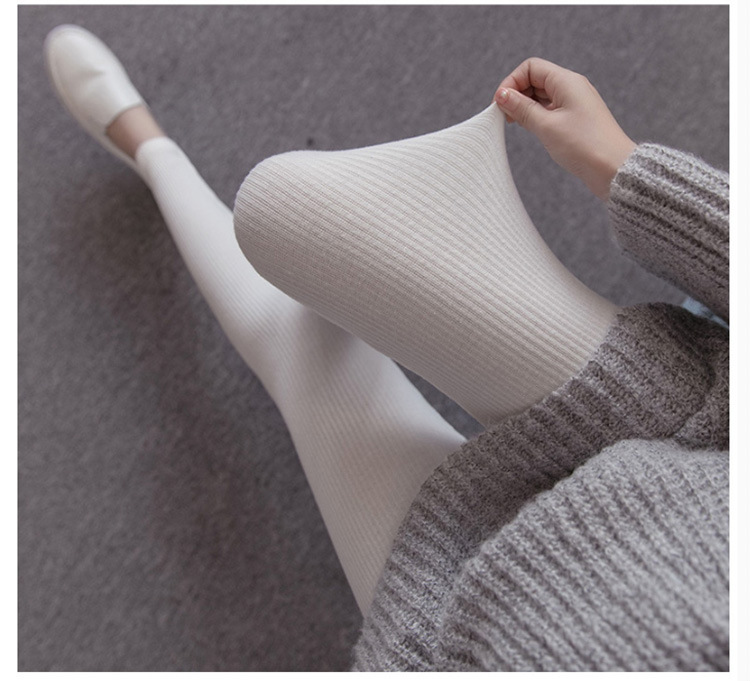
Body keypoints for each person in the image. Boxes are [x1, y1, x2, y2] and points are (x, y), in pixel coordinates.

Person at [44, 25, 728, 671]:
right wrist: (620, 166)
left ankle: (151, 149)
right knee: (283, 205)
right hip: (680, 429)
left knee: (300, 348)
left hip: (472, 631)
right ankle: (167, 164)